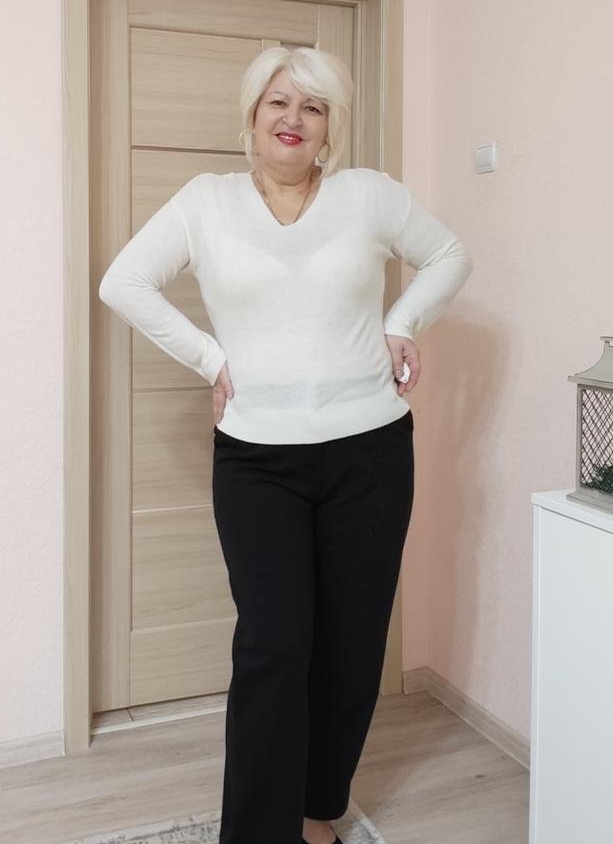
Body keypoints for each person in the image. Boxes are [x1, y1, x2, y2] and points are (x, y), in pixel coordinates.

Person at [98, 46, 474, 844]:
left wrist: (402, 322)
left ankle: (315, 812)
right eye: (278, 102)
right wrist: (211, 359)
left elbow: (449, 254)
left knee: (350, 644)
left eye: (312, 106)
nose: (293, 119)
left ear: (330, 124)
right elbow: (122, 282)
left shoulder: (367, 196)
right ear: (252, 115)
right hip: (258, 460)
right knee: (272, 643)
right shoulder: (206, 202)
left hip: (371, 451)